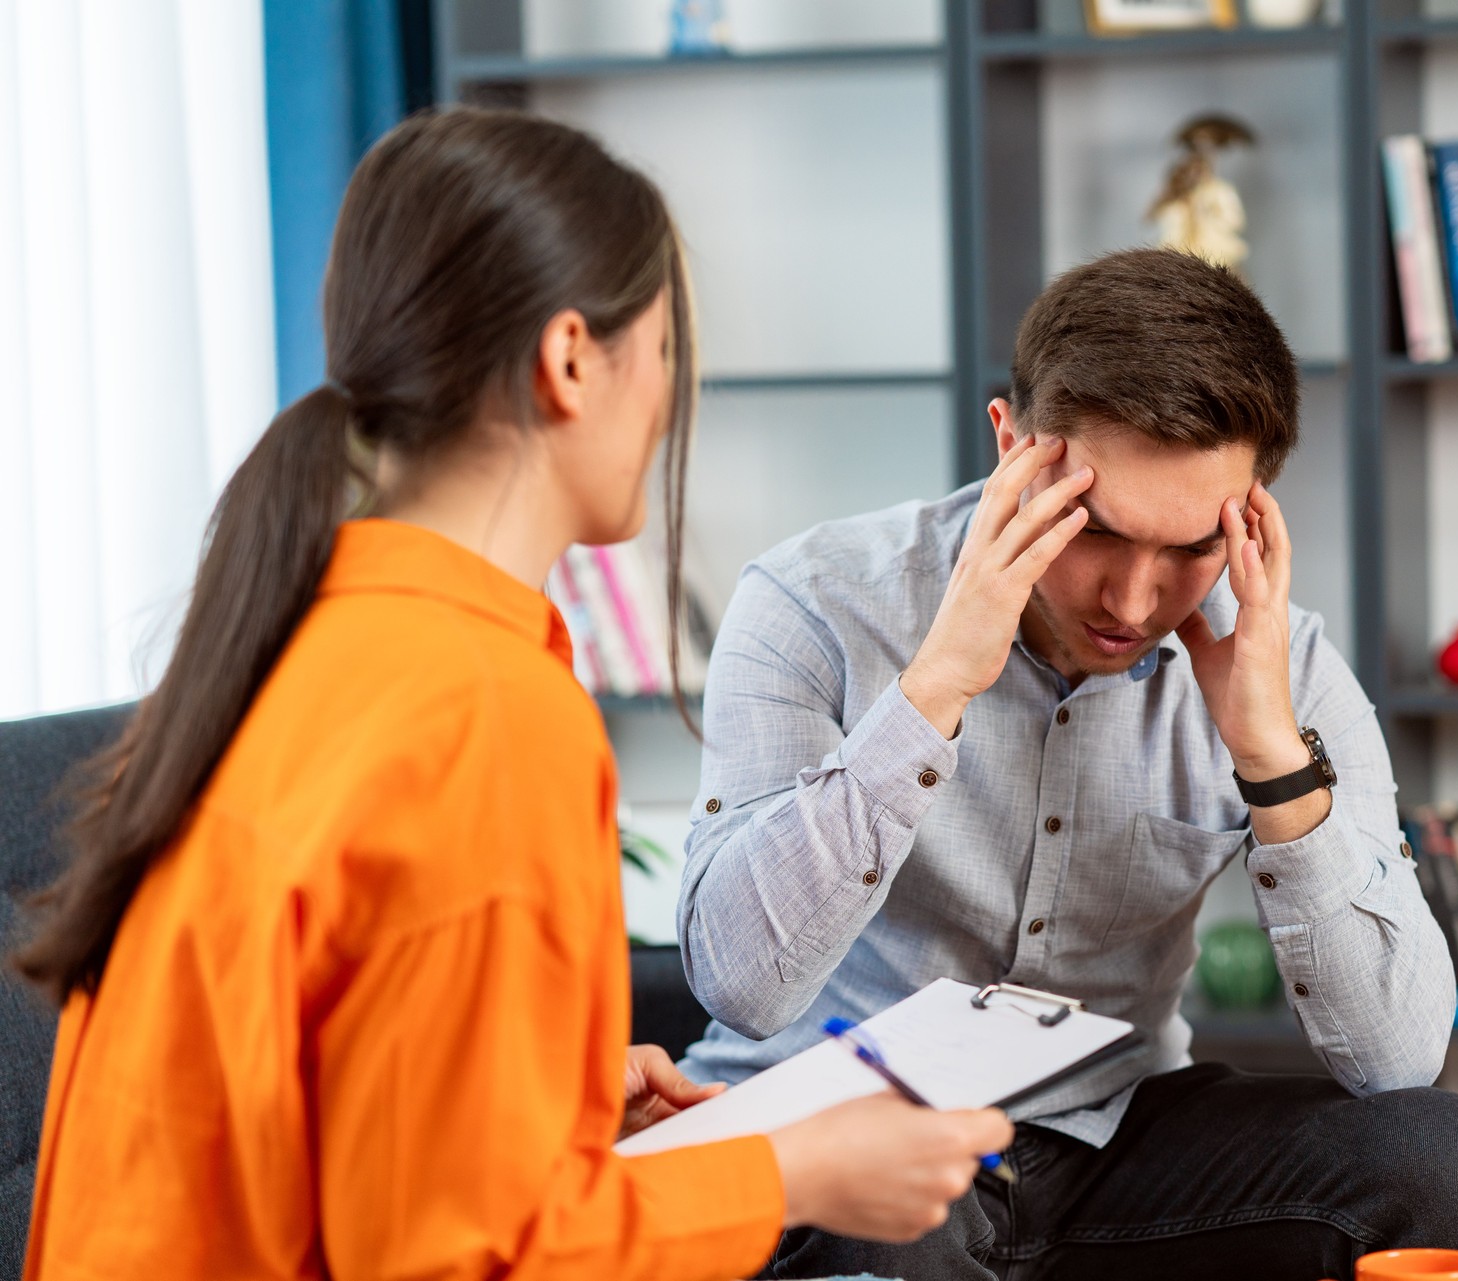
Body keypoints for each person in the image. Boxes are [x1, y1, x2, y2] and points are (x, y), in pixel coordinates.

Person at [11, 107, 1008, 1281]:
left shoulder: (293, 646)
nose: (672, 398)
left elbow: (341, 1119)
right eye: (669, 351)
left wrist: (555, 1112)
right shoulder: (484, 712)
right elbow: (459, 1257)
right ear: (573, 358)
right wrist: (797, 1171)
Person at [677, 248, 1458, 1280]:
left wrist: (1269, 756)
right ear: (1011, 447)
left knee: (1448, 1162)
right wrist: (936, 690)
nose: (1132, 603)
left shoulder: (1283, 661)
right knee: (885, 1237)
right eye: (1096, 530)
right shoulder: (817, 603)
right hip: (844, 1129)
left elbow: (1399, 1059)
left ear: (1253, 507)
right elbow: (740, 988)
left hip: (1110, 1136)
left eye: (1188, 549)